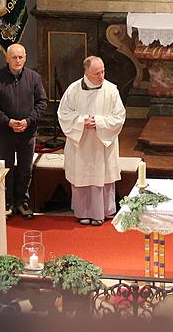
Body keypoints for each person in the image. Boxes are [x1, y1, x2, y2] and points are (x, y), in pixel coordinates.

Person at [57, 56, 126, 226]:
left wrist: (100, 122)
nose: (101, 76)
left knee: (100, 176)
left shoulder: (111, 90)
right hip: (81, 143)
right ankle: (83, 212)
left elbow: (120, 116)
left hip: (101, 144)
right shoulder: (73, 90)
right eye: (96, 73)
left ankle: (102, 211)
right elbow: (63, 114)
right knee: (82, 175)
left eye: (103, 71)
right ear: (86, 72)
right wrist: (81, 121)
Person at [0, 43, 47, 219]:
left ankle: (22, 201)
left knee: (26, 168)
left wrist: (28, 121)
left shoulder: (34, 78)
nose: (18, 60)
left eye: (21, 57)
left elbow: (42, 102)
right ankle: (7, 202)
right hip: (5, 131)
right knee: (7, 167)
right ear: (7, 58)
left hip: (28, 131)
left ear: (25, 58)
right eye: (14, 57)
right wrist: (8, 121)